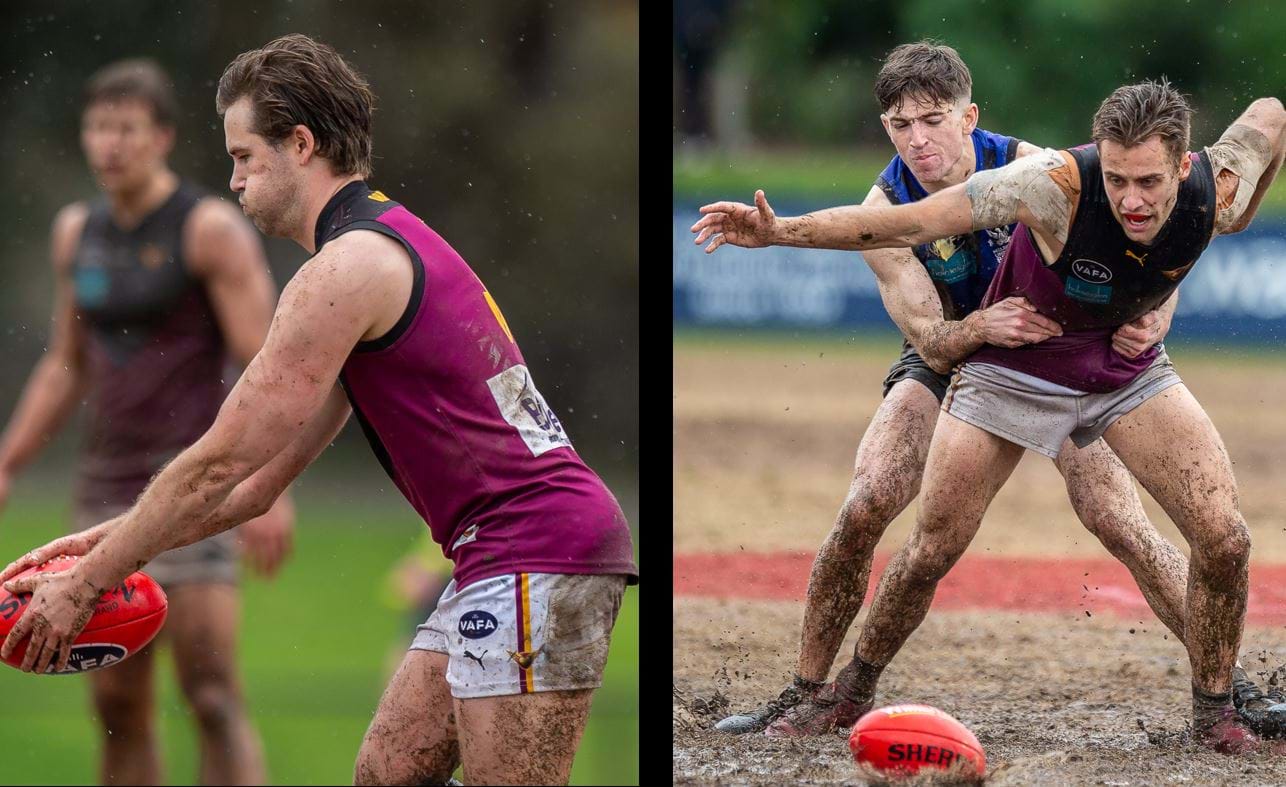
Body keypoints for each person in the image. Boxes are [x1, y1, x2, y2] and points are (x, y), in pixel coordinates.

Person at [0, 34, 638, 786]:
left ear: (300, 144)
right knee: (387, 772)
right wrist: (93, 545)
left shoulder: (343, 271)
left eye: (244, 157)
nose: (232, 179)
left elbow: (219, 460)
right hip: (498, 556)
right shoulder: (374, 245)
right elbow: (256, 487)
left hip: (534, 550)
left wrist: (88, 583)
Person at [693, 80, 1286, 752]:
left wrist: (1175, 281)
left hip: (1116, 367)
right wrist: (780, 232)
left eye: (1148, 181)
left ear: (1183, 166)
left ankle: (1218, 712)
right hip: (1009, 366)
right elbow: (911, 227)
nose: (1130, 200)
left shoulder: (1217, 188)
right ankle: (845, 689)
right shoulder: (1049, 181)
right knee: (931, 548)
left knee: (1224, 536)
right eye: (1116, 178)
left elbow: (1270, 116)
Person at [0, 59, 294, 784]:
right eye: (99, 127)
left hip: (193, 489)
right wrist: (7, 461)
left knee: (213, 693)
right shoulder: (78, 233)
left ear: (161, 136)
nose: (111, 144)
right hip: (103, 488)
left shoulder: (209, 229)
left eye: (127, 128)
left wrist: (270, 485)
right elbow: (65, 363)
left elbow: (266, 363)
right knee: (117, 707)